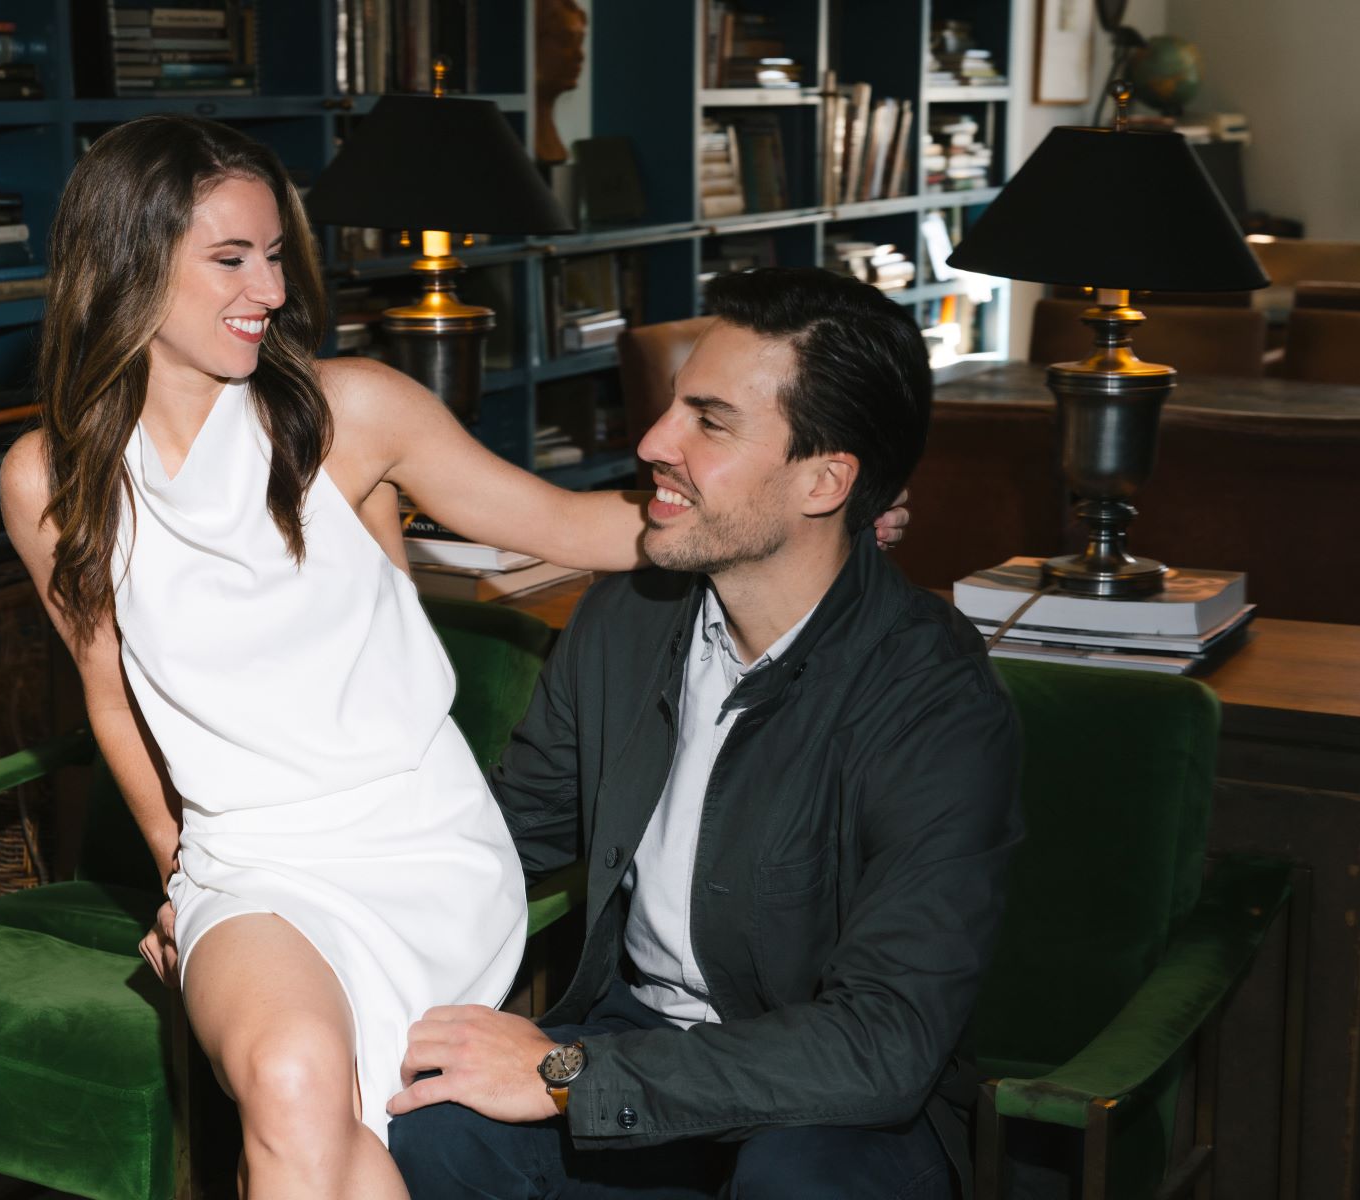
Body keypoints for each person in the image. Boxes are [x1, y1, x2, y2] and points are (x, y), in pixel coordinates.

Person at [2, 115, 905, 1198]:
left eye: (277, 256)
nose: (271, 290)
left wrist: (804, 515)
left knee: (344, 1137)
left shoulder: (351, 413)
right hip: (246, 859)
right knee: (292, 1081)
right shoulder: (45, 481)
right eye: (232, 259)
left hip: (414, 844)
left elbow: (575, 528)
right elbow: (112, 702)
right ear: (130, 262)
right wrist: (180, 884)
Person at [385, 267, 1023, 1199]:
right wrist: (267, 903)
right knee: (431, 1129)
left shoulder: (933, 697)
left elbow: (884, 1042)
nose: (652, 442)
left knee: (796, 1178)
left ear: (824, 480)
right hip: (637, 1042)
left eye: (709, 421)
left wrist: (569, 1078)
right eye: (673, 406)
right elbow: (495, 839)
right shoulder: (626, 619)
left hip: (831, 1107)